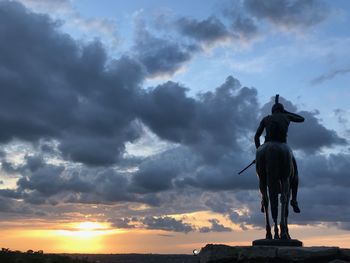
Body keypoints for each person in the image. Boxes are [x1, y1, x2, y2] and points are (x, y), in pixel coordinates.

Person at [254, 96, 304, 213]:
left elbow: (256, 137)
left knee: (262, 179)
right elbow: (301, 119)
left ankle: (263, 199)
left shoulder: (266, 119)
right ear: (281, 110)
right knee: (295, 173)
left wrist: (258, 152)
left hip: (265, 147)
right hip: (283, 145)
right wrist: (286, 112)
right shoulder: (286, 116)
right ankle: (294, 200)